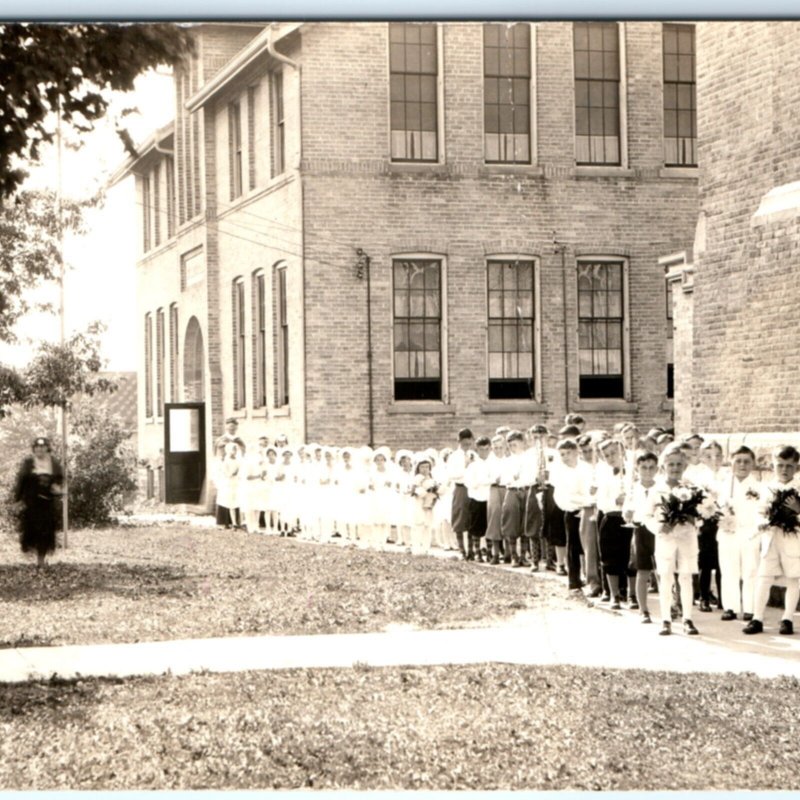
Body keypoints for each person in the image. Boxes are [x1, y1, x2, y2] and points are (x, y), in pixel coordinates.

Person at [642, 443, 700, 636]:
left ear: (684, 466)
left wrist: (694, 519)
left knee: (685, 577)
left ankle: (687, 618)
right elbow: (647, 515)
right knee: (665, 577)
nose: (675, 468)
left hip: (686, 538)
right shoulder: (656, 490)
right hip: (665, 538)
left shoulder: (692, 488)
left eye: (678, 464)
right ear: (663, 467)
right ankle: (666, 619)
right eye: (671, 464)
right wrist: (659, 527)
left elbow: (702, 513)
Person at [744, 445, 800, 635]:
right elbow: (759, 511)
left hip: (793, 539)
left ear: (796, 467)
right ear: (772, 466)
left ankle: (787, 618)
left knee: (794, 578)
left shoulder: (799, 487)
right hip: (771, 537)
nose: (784, 470)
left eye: (789, 466)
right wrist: (762, 522)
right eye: (780, 465)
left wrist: (797, 509)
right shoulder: (767, 487)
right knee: (764, 577)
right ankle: (757, 618)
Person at [716, 446, 761, 621]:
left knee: (751, 571)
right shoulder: (723, 485)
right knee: (728, 570)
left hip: (750, 533)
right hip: (728, 532)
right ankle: (730, 607)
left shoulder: (758, 487)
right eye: (738, 461)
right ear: (731, 462)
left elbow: (762, 511)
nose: (742, 465)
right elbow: (715, 508)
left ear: (753, 464)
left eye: (747, 461)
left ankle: (750, 608)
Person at [13, 437, 64, 570]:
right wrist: (17, 500)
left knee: (46, 531)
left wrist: (57, 487)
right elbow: (21, 482)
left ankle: (41, 560)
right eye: (37, 447)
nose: (40, 449)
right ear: (34, 449)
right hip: (32, 503)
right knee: (32, 531)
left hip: (47, 503)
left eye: (43, 447)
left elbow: (60, 480)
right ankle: (38, 558)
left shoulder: (53, 463)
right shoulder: (28, 463)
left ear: (48, 448)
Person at [552, 438, 594, 596]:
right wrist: (572, 506)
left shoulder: (586, 469)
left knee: (588, 547)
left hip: (588, 509)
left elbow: (590, 492)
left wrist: (585, 505)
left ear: (577, 452)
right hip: (572, 511)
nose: (565, 457)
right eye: (562, 454)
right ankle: (574, 581)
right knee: (572, 547)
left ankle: (591, 579)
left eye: (568, 453)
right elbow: (561, 496)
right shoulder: (560, 472)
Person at [623, 449, 659, 623]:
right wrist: (627, 513)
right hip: (640, 531)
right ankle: (643, 609)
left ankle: (671, 606)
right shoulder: (632, 489)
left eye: (651, 467)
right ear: (638, 469)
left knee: (662, 571)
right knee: (642, 570)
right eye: (644, 467)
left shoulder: (661, 488)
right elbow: (626, 511)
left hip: (658, 531)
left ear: (657, 469)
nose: (647, 471)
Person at [464, 436, 493, 562]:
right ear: (477, 450)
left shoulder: (494, 464)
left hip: (490, 499)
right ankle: (477, 553)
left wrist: (485, 482)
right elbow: (470, 483)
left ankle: (490, 552)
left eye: (487, 449)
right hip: (476, 498)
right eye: (481, 450)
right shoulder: (473, 466)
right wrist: (485, 481)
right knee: (476, 528)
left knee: (489, 527)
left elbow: (497, 480)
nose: (484, 452)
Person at [448, 428, 475, 559]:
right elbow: (451, 475)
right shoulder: (454, 456)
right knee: (459, 518)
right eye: (464, 442)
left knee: (471, 518)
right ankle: (461, 549)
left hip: (473, 488)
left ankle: (471, 550)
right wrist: (466, 467)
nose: (467, 445)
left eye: (469, 442)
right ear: (459, 441)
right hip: (460, 488)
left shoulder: (472, 454)